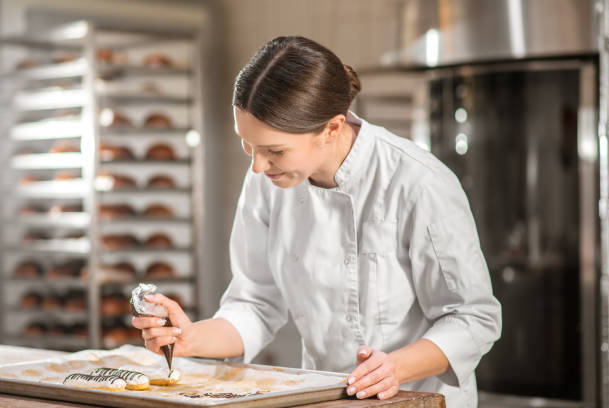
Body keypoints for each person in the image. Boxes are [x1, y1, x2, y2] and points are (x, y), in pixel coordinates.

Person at [132, 36, 502, 407]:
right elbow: (255, 304)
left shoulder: (418, 182)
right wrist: (191, 338)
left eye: (274, 151)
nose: (258, 167)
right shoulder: (267, 180)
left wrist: (395, 367)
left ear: (331, 128)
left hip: (418, 399)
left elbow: (473, 317)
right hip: (326, 400)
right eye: (248, 146)